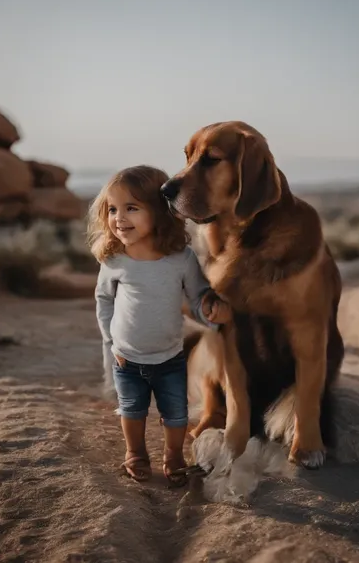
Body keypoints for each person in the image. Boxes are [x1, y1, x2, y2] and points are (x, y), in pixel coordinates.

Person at [87, 165, 230, 486]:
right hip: (127, 357)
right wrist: (111, 343)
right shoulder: (114, 260)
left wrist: (213, 313)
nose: (119, 218)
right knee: (132, 411)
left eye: (132, 208)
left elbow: (197, 298)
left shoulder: (180, 258)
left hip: (169, 357)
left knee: (175, 414)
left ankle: (173, 455)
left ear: (160, 211)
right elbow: (104, 301)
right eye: (112, 209)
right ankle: (135, 454)